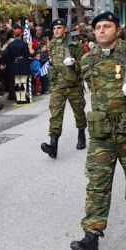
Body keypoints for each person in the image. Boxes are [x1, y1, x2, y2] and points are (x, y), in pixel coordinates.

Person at [70, 11, 126, 250]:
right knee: (97, 183)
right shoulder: (87, 61)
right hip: (102, 132)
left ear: (117, 30)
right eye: (97, 27)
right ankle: (91, 237)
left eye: (106, 26)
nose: (101, 31)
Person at [41, 18, 87, 158]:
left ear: (65, 30)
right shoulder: (52, 45)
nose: (56, 31)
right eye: (54, 29)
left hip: (73, 85)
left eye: (59, 28)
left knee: (79, 112)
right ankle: (53, 145)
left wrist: (74, 63)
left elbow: (84, 65)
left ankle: (81, 134)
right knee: (55, 114)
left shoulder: (75, 45)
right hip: (58, 86)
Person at [5, 28, 32, 104]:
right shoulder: (24, 44)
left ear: (14, 35)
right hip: (23, 63)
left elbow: (8, 55)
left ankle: (18, 98)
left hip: (14, 63)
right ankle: (23, 98)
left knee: (17, 82)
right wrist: (31, 53)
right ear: (21, 35)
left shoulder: (11, 45)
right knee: (23, 81)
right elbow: (27, 55)